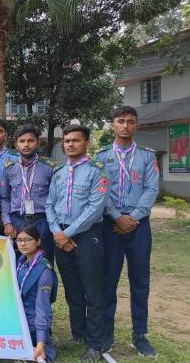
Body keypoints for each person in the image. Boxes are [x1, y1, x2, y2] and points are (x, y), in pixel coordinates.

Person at [96, 106, 159, 357]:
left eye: (130, 122)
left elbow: (152, 189)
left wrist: (133, 217)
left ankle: (139, 335)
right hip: (110, 225)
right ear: (113, 124)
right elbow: (100, 191)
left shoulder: (147, 157)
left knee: (140, 282)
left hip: (139, 226)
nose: (125, 126)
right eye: (120, 121)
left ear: (137, 125)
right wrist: (117, 217)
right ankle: (106, 335)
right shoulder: (101, 157)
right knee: (107, 282)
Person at [46, 124, 109, 362]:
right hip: (61, 236)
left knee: (93, 291)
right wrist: (57, 232)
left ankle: (95, 344)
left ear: (86, 143)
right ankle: (78, 334)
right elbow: (50, 204)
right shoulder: (59, 172)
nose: (70, 144)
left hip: (87, 235)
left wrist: (68, 233)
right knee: (72, 290)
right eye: (67, 141)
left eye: (76, 140)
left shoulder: (97, 171)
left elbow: (95, 208)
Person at [0, 124, 56, 264]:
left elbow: (55, 198)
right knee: (18, 262)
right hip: (17, 222)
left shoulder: (49, 167)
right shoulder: (9, 168)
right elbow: (5, 198)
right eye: (22, 141)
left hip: (42, 221)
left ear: (38, 143)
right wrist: (7, 222)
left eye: (30, 141)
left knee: (44, 262)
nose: (26, 144)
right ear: (16, 144)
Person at [16, 224, 58, 363]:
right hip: (18, 322)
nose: (23, 244)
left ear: (38, 241)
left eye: (28, 240)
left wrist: (41, 342)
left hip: (33, 326)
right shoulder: (20, 263)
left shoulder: (44, 271)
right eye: (19, 240)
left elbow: (43, 307)